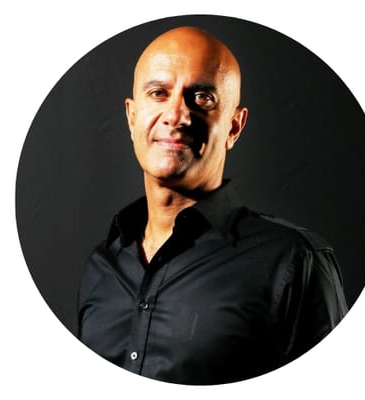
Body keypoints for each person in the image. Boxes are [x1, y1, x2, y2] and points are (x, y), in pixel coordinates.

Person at [78, 26, 348, 385]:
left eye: (202, 97)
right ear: (131, 117)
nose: (176, 115)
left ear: (234, 127)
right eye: (158, 93)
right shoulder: (102, 265)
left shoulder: (296, 263)